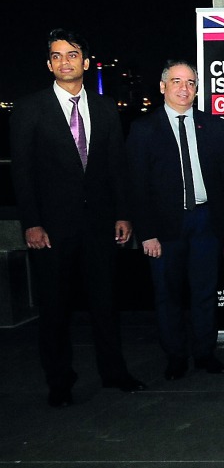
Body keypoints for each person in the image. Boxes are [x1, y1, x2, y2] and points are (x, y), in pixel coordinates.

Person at [10, 28, 145, 406]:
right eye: (56, 56)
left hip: (100, 224)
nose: (64, 62)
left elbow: (116, 167)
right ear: (48, 64)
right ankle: (59, 382)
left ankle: (114, 372)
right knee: (54, 308)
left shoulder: (105, 107)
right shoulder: (30, 108)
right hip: (51, 228)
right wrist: (31, 223)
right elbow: (22, 172)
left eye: (71, 55)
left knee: (106, 303)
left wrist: (123, 214)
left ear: (85, 62)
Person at [126, 61, 224, 380]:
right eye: (177, 81)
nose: (184, 88)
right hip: (164, 227)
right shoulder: (143, 129)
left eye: (191, 82)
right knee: (167, 294)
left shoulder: (214, 126)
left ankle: (205, 353)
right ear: (163, 87)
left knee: (205, 292)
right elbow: (136, 186)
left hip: (207, 222)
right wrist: (146, 233)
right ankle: (176, 356)